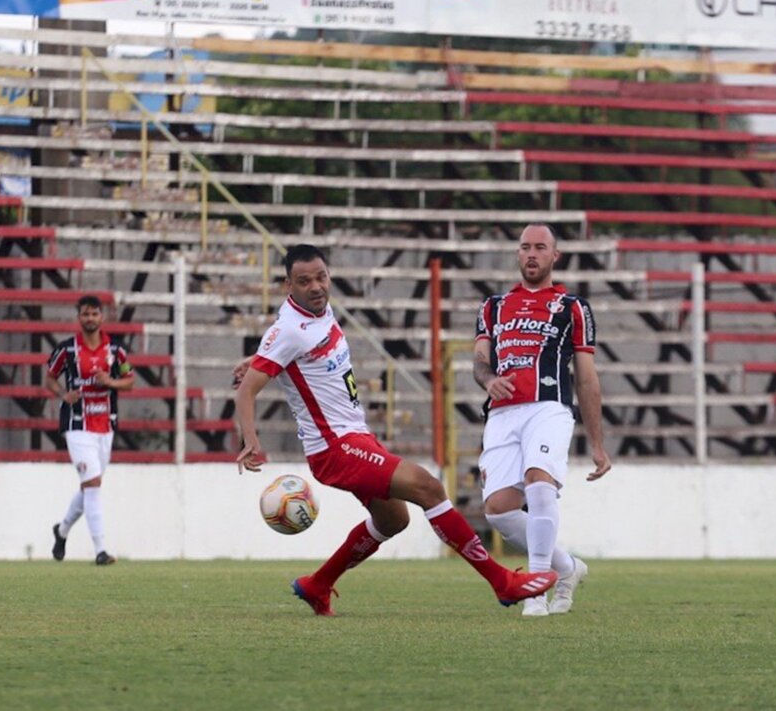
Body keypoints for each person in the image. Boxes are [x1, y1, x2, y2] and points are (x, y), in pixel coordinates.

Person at [234, 244, 557, 616]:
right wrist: (252, 441)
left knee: (394, 519)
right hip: (335, 447)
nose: (316, 286)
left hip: (355, 437)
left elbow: (285, 350)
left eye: (321, 277)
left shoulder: (316, 311)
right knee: (429, 487)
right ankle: (502, 582)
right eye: (304, 281)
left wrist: (258, 359)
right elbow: (248, 391)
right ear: (288, 285)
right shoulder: (291, 329)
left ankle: (317, 585)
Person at [473, 224, 612, 617]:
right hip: (501, 413)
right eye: (525, 247)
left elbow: (586, 377)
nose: (531, 254)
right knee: (499, 510)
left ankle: (534, 591)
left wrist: (597, 444)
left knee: (539, 482)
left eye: (540, 247)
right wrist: (489, 380)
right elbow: (479, 362)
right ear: (517, 255)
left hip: (548, 406)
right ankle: (566, 568)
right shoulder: (493, 307)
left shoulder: (572, 308)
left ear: (555, 256)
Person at [46, 295, 134, 565]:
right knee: (93, 485)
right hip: (77, 424)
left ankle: (61, 530)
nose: (90, 318)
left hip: (105, 424)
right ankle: (101, 551)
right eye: (85, 314)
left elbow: (129, 381)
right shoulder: (67, 350)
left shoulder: (117, 351)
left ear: (102, 317)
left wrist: (110, 381)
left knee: (89, 486)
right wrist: (63, 394)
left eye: (95, 314)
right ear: (79, 317)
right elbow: (50, 378)